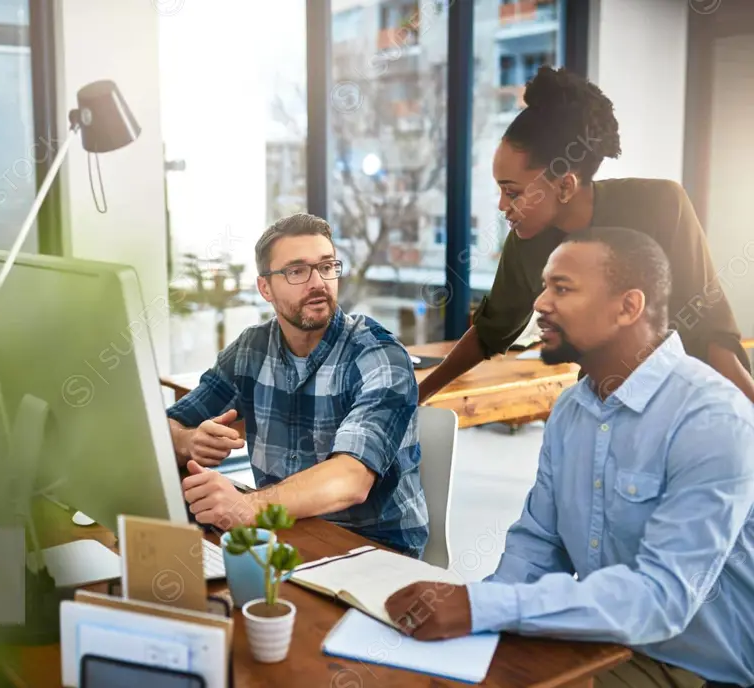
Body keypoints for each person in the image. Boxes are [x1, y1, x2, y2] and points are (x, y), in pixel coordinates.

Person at [384, 227, 754, 687]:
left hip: (696, 669)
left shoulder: (713, 418)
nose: (540, 302)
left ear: (628, 307)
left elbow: (662, 600)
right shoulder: (572, 408)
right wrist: (480, 623)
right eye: (544, 285)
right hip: (598, 642)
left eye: (562, 288)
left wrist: (483, 607)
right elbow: (538, 545)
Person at [418, 65, 754, 405]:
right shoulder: (526, 244)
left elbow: (711, 329)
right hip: (603, 401)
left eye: (514, 193)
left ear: (565, 185)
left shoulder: (662, 206)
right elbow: (490, 333)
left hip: (693, 399)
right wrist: (419, 393)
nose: (503, 206)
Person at [165, 213, 428, 557]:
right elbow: (165, 427)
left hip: (375, 551)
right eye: (297, 271)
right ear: (265, 288)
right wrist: (189, 441)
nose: (317, 282)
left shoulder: (378, 353)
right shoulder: (251, 349)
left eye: (326, 266)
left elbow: (352, 479)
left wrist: (249, 507)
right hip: (285, 535)